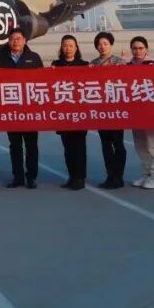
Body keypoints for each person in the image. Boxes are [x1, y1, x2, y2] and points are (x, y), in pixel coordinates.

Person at [0, 27, 43, 188]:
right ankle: (18, 177)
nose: (15, 42)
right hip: (11, 110)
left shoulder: (34, 58)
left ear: (25, 41)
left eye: (18, 39)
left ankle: (31, 177)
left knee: (31, 146)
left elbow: (43, 82)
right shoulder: (0, 59)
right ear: (8, 41)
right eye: (12, 39)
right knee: (15, 146)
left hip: (30, 110)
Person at [91, 31, 127, 189]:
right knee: (105, 144)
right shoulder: (92, 64)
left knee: (118, 143)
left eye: (105, 43)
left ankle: (119, 176)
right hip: (101, 109)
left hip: (116, 109)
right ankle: (110, 175)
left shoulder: (120, 62)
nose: (102, 46)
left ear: (111, 45)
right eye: (99, 44)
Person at [127, 36, 154, 190]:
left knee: (153, 143)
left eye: (140, 48)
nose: (137, 51)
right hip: (135, 111)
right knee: (140, 143)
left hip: (150, 111)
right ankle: (146, 173)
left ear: (146, 49)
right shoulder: (127, 66)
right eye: (134, 48)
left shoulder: (153, 65)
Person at [54, 35, 89, 191]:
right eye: (65, 45)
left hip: (79, 113)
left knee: (79, 147)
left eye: (70, 45)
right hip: (63, 113)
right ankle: (71, 176)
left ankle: (80, 177)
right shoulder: (56, 65)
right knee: (67, 147)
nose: (67, 48)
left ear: (76, 48)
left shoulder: (84, 65)